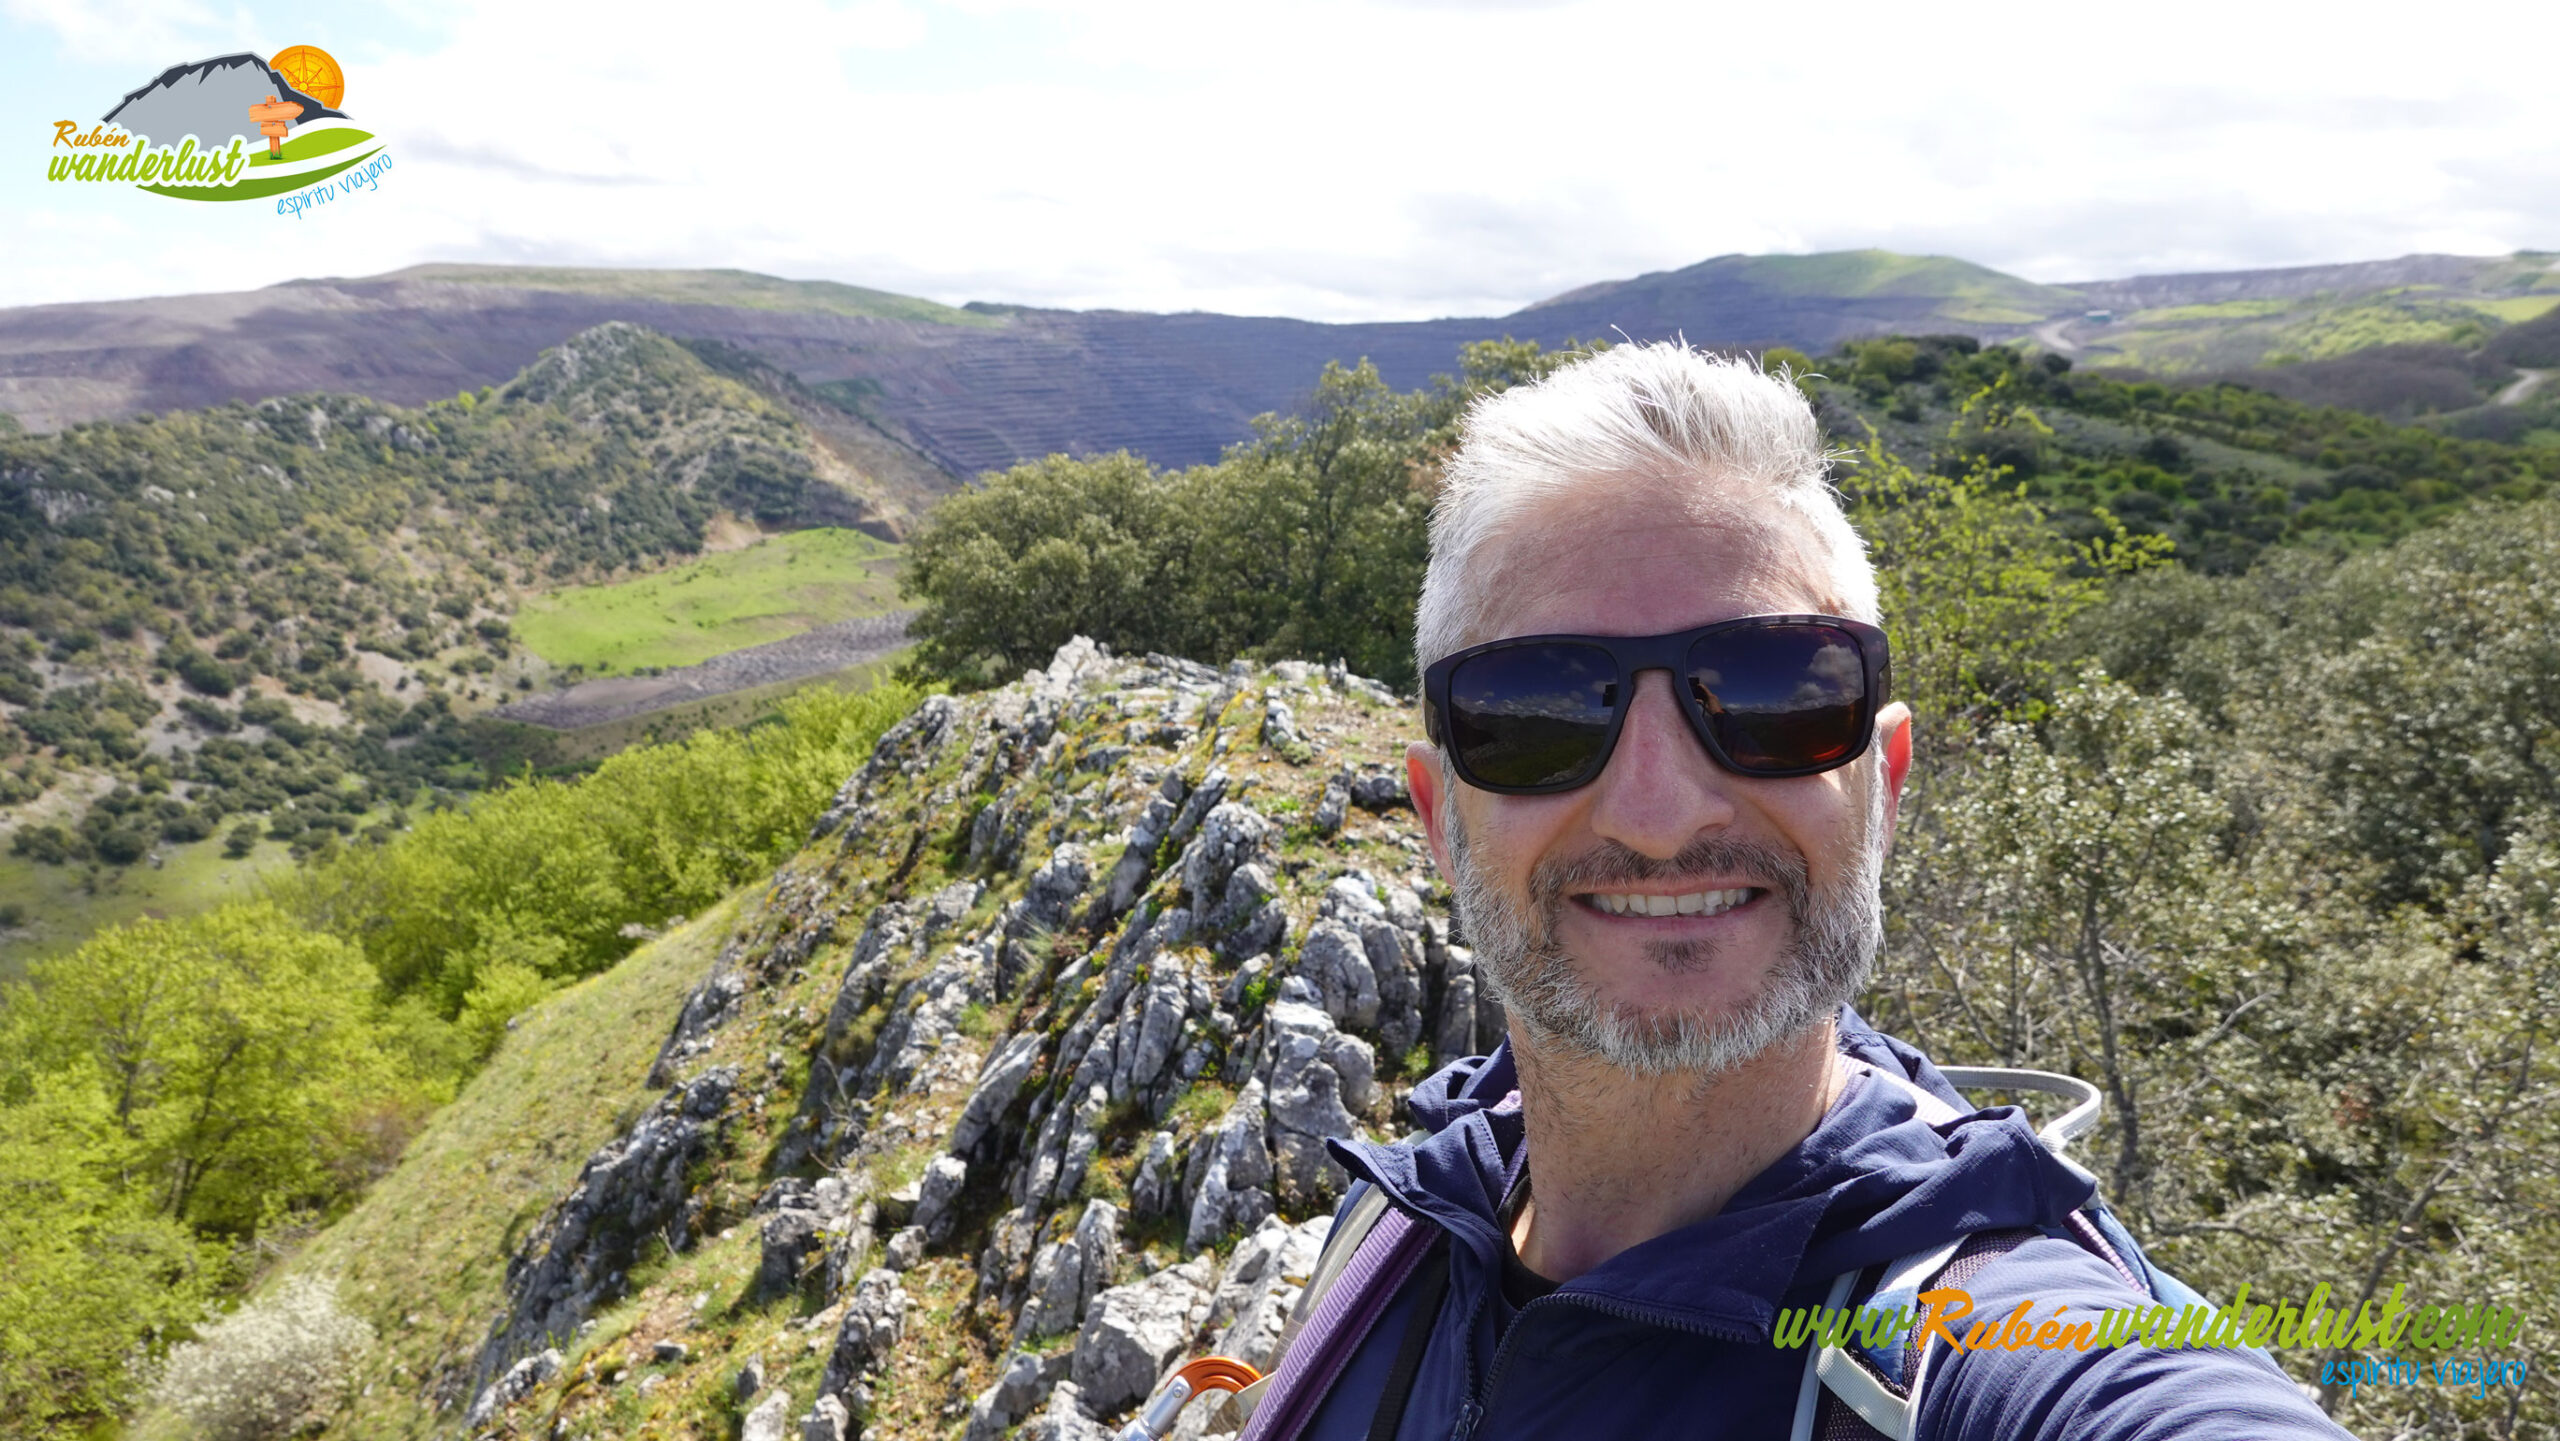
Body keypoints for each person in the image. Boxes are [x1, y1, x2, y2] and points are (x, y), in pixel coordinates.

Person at [1280, 343, 2352, 1439]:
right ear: (1438, 819)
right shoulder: (1393, 1230)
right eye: (1537, 713)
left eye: (1773, 698)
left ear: (1883, 787)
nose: (1659, 813)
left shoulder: (2003, 1354)